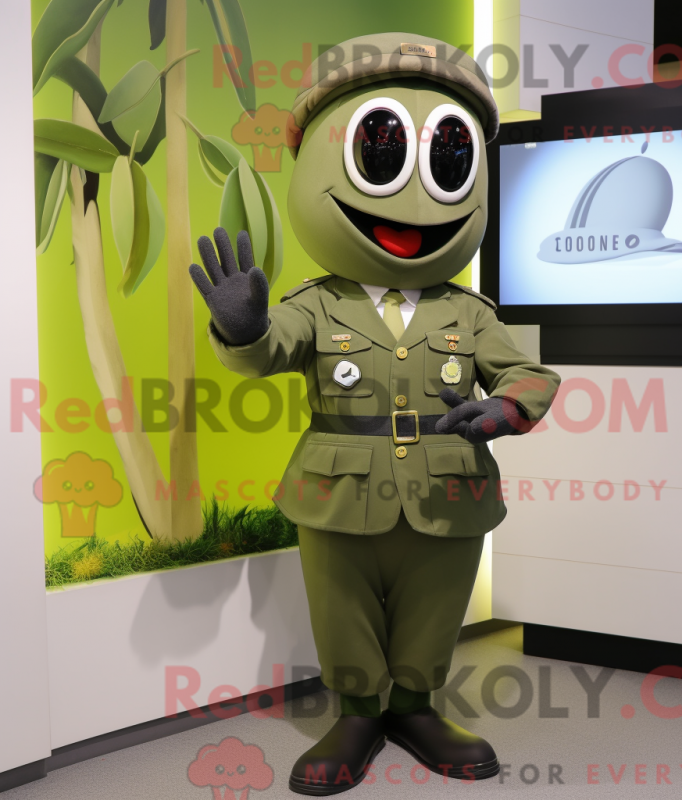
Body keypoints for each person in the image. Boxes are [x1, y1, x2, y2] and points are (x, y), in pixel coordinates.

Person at [189, 32, 561, 796]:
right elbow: (269, 352)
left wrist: (503, 409)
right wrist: (243, 328)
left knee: (436, 607)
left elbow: (528, 373)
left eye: (448, 160)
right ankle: (357, 715)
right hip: (337, 491)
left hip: (449, 487)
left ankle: (416, 708)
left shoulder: (469, 310)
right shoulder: (317, 303)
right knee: (341, 608)